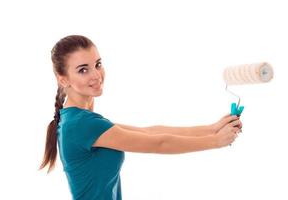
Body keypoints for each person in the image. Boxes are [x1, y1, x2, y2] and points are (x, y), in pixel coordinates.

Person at [39, 35, 243, 200]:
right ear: (63, 78)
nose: (96, 75)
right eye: (83, 70)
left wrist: (212, 128)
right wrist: (215, 141)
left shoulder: (79, 120)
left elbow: (150, 132)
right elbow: (159, 143)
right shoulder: (80, 124)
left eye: (98, 64)